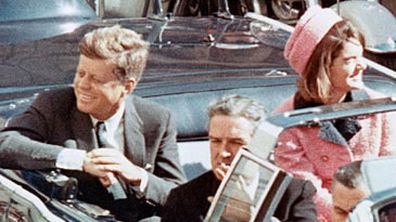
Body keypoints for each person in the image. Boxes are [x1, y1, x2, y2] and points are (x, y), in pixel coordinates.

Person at [0, 25, 186, 221]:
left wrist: (139, 176)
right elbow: (5, 144)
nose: (82, 85)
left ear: (127, 87)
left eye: (96, 79)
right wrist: (80, 160)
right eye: (81, 73)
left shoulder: (156, 119)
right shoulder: (55, 105)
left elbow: (180, 196)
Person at [273, 6, 396, 221]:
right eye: (350, 60)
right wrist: (350, 216)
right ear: (323, 66)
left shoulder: (379, 107)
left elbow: (390, 169)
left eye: (361, 56)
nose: (363, 66)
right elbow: (305, 192)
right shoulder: (289, 121)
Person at [161, 94, 318, 222]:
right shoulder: (185, 199)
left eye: (236, 142)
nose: (223, 153)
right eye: (215, 141)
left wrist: (250, 220)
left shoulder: (293, 193)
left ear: (261, 145)